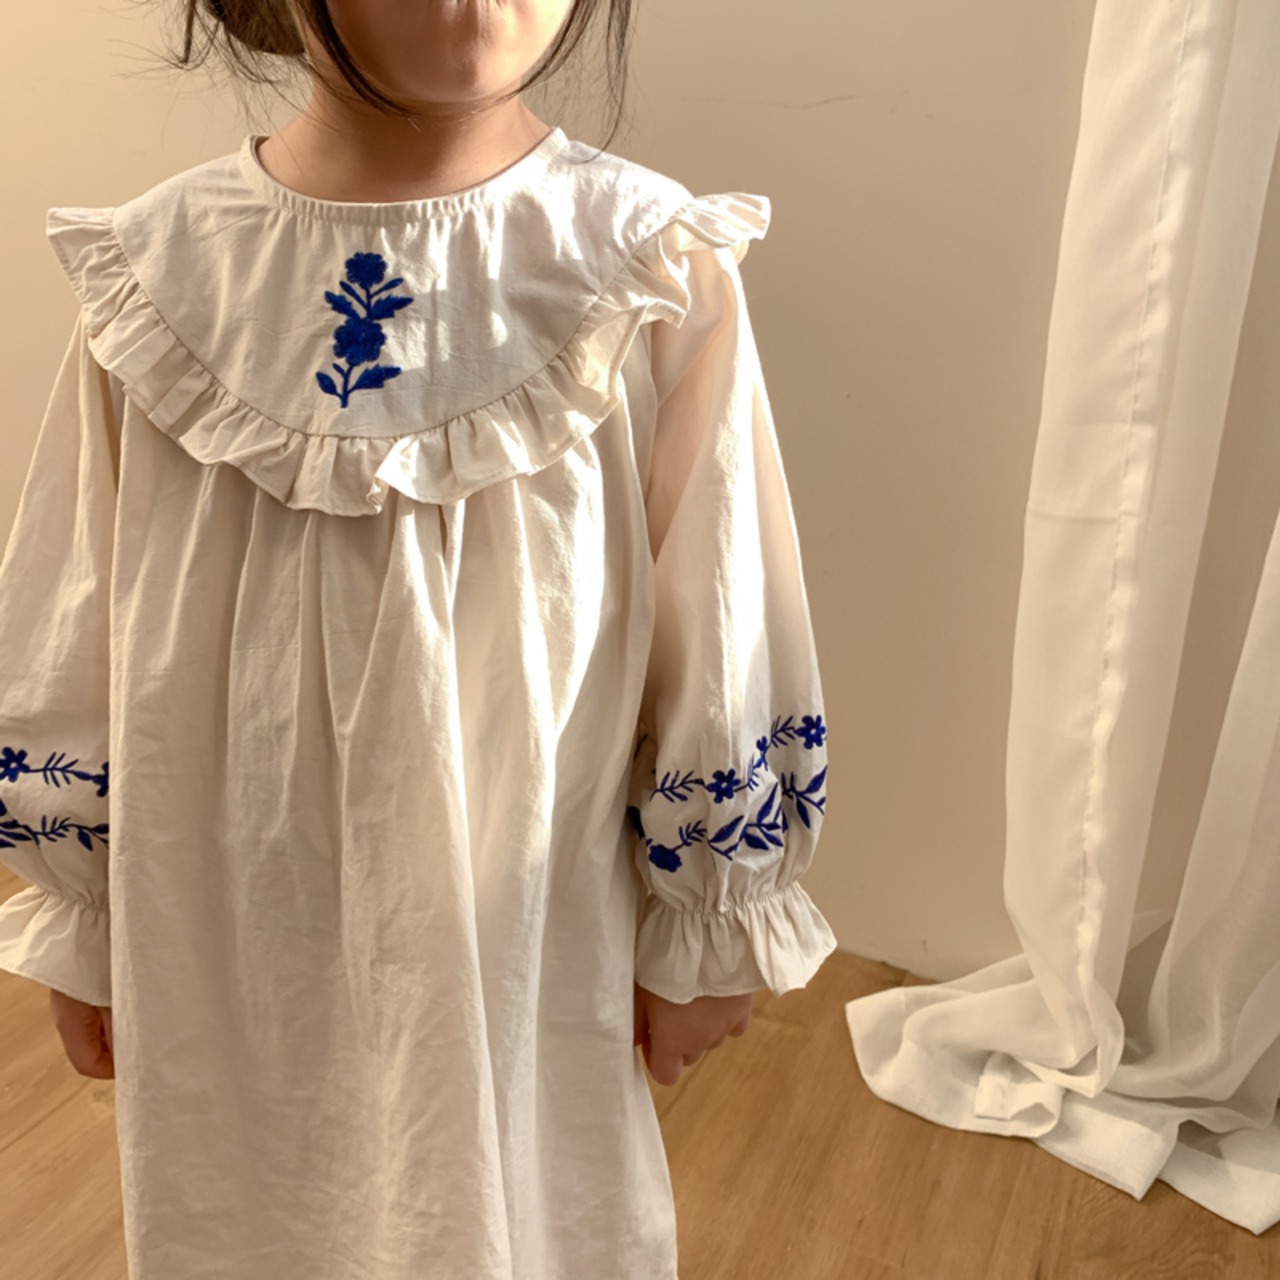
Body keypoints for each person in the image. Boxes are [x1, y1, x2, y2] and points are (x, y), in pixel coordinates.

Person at [0, 1, 837, 1275]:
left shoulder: (639, 261)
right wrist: (81, 910)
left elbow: (721, 607)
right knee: (245, 1195)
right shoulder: (161, 274)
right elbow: (72, 615)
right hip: (219, 914)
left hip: (521, 913)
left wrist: (716, 911)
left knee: (516, 1194)